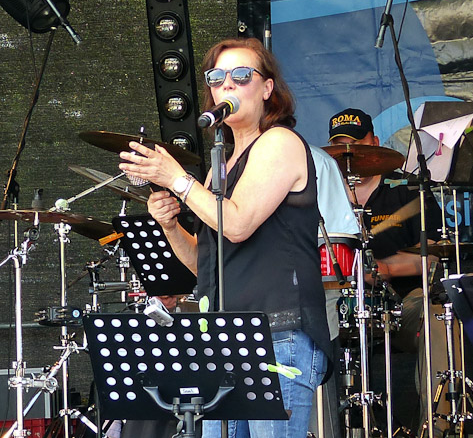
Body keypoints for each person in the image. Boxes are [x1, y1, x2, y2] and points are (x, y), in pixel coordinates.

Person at [119, 37, 331, 438]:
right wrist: (170, 226)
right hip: (224, 337)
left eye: (241, 75)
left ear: (267, 88)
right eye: (216, 78)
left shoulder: (280, 142)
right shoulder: (222, 163)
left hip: (277, 333)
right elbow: (205, 262)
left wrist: (177, 180)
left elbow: (237, 223)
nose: (227, 84)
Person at [326, 108, 455, 434]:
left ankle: (437, 428)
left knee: (437, 317)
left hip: (400, 305)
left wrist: (385, 269)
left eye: (356, 144)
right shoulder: (321, 197)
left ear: (375, 143)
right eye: (340, 147)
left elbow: (434, 257)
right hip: (335, 307)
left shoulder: (407, 191)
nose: (349, 153)